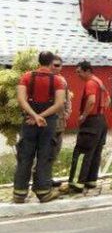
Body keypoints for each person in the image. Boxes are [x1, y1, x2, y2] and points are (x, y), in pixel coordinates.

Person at [13, 51, 66, 204]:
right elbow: (59, 104)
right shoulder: (58, 81)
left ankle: (19, 194)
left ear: (39, 61)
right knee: (45, 156)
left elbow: (21, 100)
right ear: (51, 63)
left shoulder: (26, 77)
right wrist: (41, 117)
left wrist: (34, 116)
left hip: (29, 122)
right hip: (48, 123)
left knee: (25, 156)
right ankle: (43, 193)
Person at [62, 61, 109, 193]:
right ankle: (90, 181)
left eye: (79, 72)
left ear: (87, 71)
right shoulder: (99, 82)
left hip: (91, 121)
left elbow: (92, 100)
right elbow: (108, 99)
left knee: (82, 152)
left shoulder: (90, 83)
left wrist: (84, 115)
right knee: (95, 152)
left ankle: (76, 184)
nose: (78, 74)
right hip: (101, 121)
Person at [49, 55, 71, 187]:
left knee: (55, 151)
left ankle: (48, 177)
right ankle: (41, 179)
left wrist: (67, 113)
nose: (56, 68)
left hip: (60, 122)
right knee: (45, 151)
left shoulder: (62, 81)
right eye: (54, 65)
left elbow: (67, 98)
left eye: (59, 65)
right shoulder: (45, 79)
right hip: (47, 121)